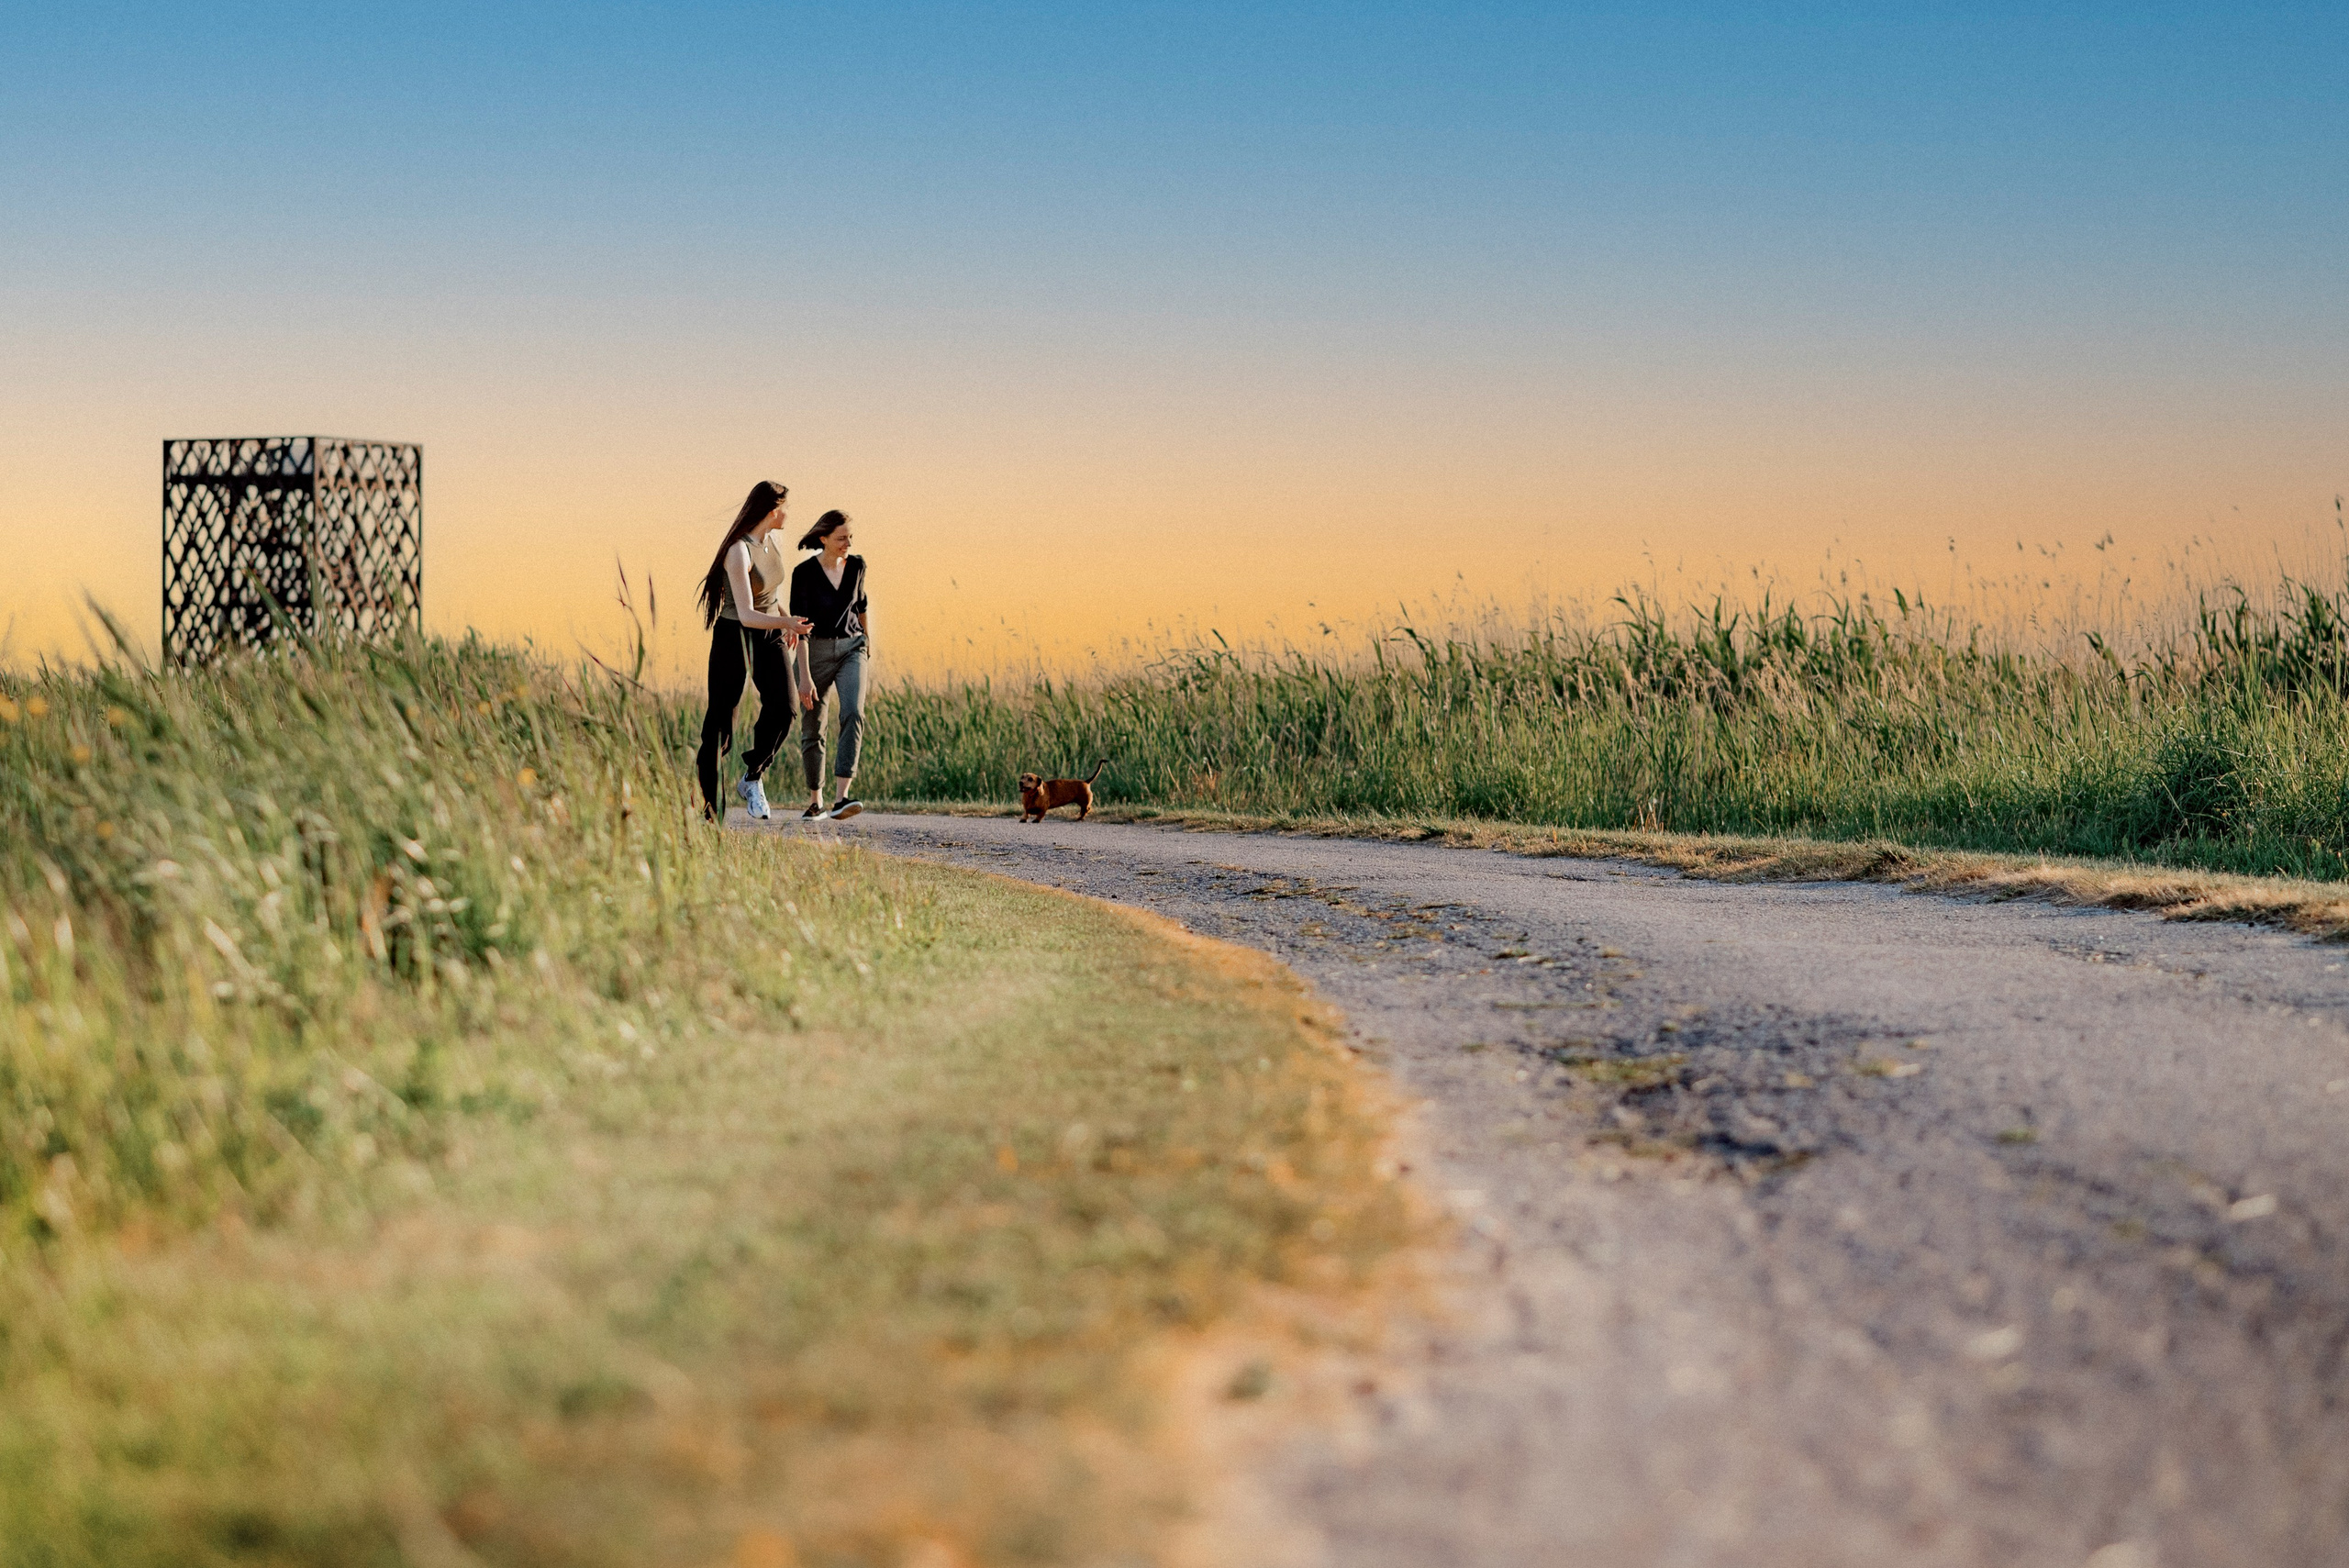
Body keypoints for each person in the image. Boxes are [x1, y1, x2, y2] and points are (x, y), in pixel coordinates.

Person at [694, 481, 814, 822]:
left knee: (785, 709)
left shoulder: (771, 543)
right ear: (773, 509)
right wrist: (785, 623)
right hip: (735, 636)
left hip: (769, 632)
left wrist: (786, 621)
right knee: (720, 727)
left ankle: (752, 776)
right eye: (785, 506)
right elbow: (746, 613)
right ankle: (710, 812)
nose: (789, 513)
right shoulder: (738, 551)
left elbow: (771, 596)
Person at [789, 509, 870, 820]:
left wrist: (867, 639)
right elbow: (801, 627)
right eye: (841, 538)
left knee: (853, 711)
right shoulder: (804, 573)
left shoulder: (858, 566)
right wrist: (805, 676)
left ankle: (842, 797)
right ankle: (815, 800)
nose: (847, 543)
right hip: (815, 651)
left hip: (853, 647)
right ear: (823, 539)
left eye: (850, 537)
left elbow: (860, 605)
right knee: (813, 726)